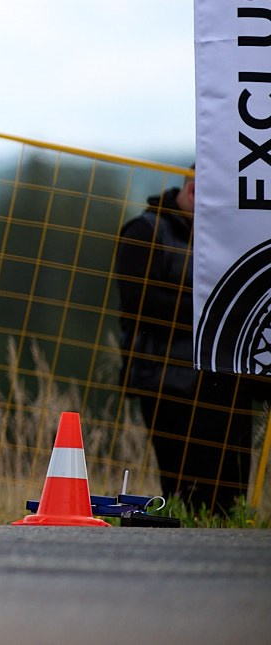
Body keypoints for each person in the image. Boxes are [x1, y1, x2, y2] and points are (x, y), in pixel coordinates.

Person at [114, 167, 259, 515]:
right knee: (186, 487)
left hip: (229, 381)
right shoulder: (145, 231)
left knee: (230, 490)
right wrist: (218, 311)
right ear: (188, 185)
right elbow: (139, 304)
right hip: (167, 382)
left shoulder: (234, 240)